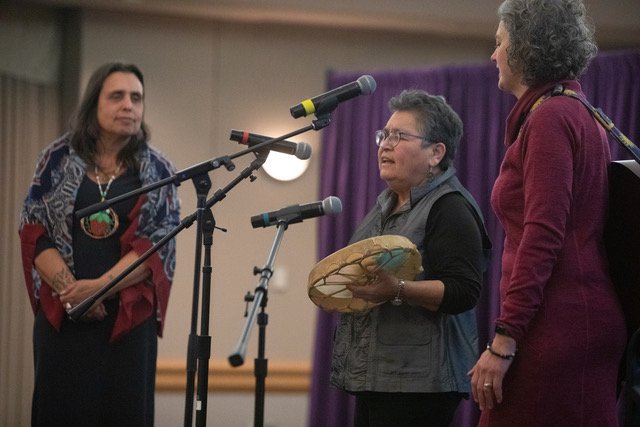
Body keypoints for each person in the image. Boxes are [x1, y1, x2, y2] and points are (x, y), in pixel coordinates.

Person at [467, 0, 627, 425]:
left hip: (559, 326)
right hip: (571, 320)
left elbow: (543, 236)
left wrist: (504, 338)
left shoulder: (551, 117)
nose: (493, 55)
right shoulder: (574, 111)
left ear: (526, 47)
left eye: (500, 43)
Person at [19, 62, 181, 426]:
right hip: (64, 316)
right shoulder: (56, 160)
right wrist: (70, 290)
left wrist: (96, 289)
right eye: (117, 96)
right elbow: (32, 228)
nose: (129, 106)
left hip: (125, 322)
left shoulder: (158, 170)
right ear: (94, 104)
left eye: (136, 98)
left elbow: (157, 245)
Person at [330, 89, 492, 426]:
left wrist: (398, 290)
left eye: (399, 136)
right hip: (376, 375)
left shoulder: (451, 207)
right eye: (384, 135)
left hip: (420, 384)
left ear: (435, 153)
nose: (385, 144)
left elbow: (464, 291)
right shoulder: (384, 204)